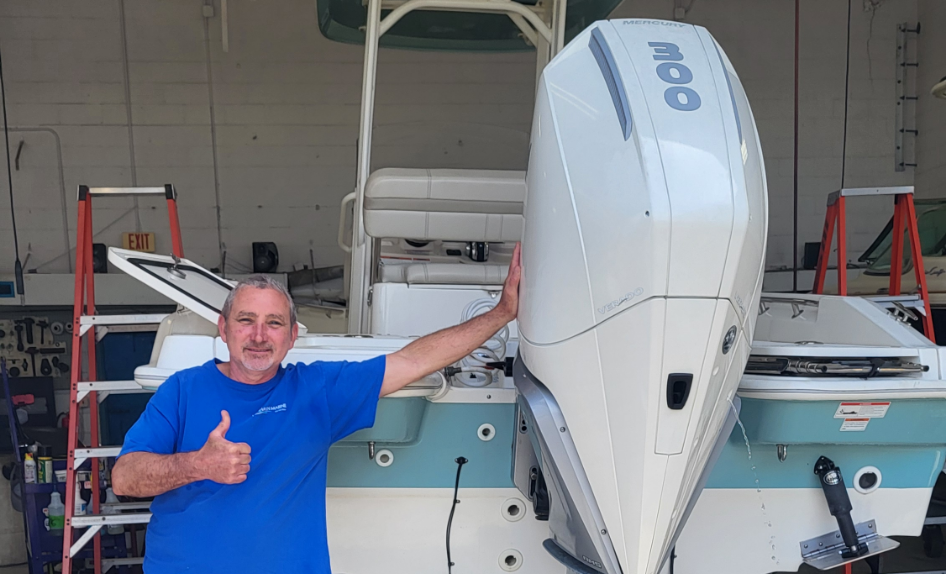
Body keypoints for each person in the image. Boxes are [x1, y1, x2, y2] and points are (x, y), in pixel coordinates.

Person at [110, 243, 522, 573]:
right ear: (224, 328)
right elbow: (124, 479)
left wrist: (502, 313)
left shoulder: (317, 391)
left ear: (292, 336)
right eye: (246, 320)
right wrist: (198, 465)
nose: (259, 335)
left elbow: (413, 361)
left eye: (274, 323)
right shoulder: (182, 389)